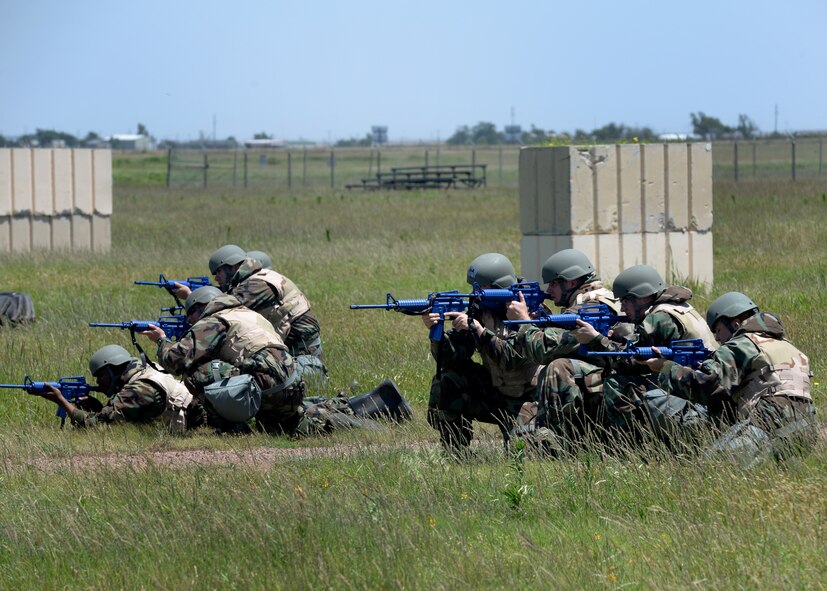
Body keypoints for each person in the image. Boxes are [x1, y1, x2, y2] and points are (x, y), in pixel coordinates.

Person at [142, 286, 404, 436]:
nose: (190, 321)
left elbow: (175, 360)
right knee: (285, 426)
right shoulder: (247, 315)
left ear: (201, 308)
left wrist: (161, 340)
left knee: (198, 372)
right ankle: (374, 406)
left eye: (191, 314)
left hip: (268, 384)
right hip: (289, 382)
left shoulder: (214, 320)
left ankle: (231, 427)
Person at [644, 291, 817, 465]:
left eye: (719, 330)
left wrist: (666, 367)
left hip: (769, 419)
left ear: (735, 324)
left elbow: (708, 387)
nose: (717, 338)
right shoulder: (786, 345)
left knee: (713, 468)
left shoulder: (741, 344)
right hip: (808, 425)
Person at [574, 264, 718, 443]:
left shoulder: (659, 318)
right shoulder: (676, 307)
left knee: (616, 383)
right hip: (702, 381)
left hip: (694, 389)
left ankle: (631, 445)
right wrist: (616, 338)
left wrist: (596, 339)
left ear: (643, 297)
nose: (622, 308)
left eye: (625, 301)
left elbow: (625, 361)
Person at [506, 249, 630, 450]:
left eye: (554, 283)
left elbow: (544, 350)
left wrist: (524, 322)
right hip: (615, 375)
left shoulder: (589, 306)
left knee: (558, 367)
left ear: (572, 282)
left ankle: (559, 444)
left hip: (616, 380)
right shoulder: (600, 297)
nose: (549, 289)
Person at [424, 252, 541, 454]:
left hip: (528, 398)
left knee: (521, 454)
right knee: (448, 379)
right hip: (494, 391)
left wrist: (480, 331)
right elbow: (450, 359)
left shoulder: (531, 312)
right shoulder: (479, 311)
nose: (475, 294)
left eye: (482, 288)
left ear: (500, 287)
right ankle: (455, 452)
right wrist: (436, 332)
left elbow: (513, 360)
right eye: (474, 288)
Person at [175, 245, 327, 388]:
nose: (216, 278)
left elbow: (225, 307)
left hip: (301, 351)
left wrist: (193, 298)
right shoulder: (254, 279)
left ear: (233, 266)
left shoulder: (257, 284)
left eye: (218, 272)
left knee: (287, 381)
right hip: (290, 346)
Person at [32, 344, 206, 431]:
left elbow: (99, 426)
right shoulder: (147, 370)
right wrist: (97, 407)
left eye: (101, 376)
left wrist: (62, 402)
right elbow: (128, 416)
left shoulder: (140, 389)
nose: (98, 382)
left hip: (202, 429)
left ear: (114, 370)